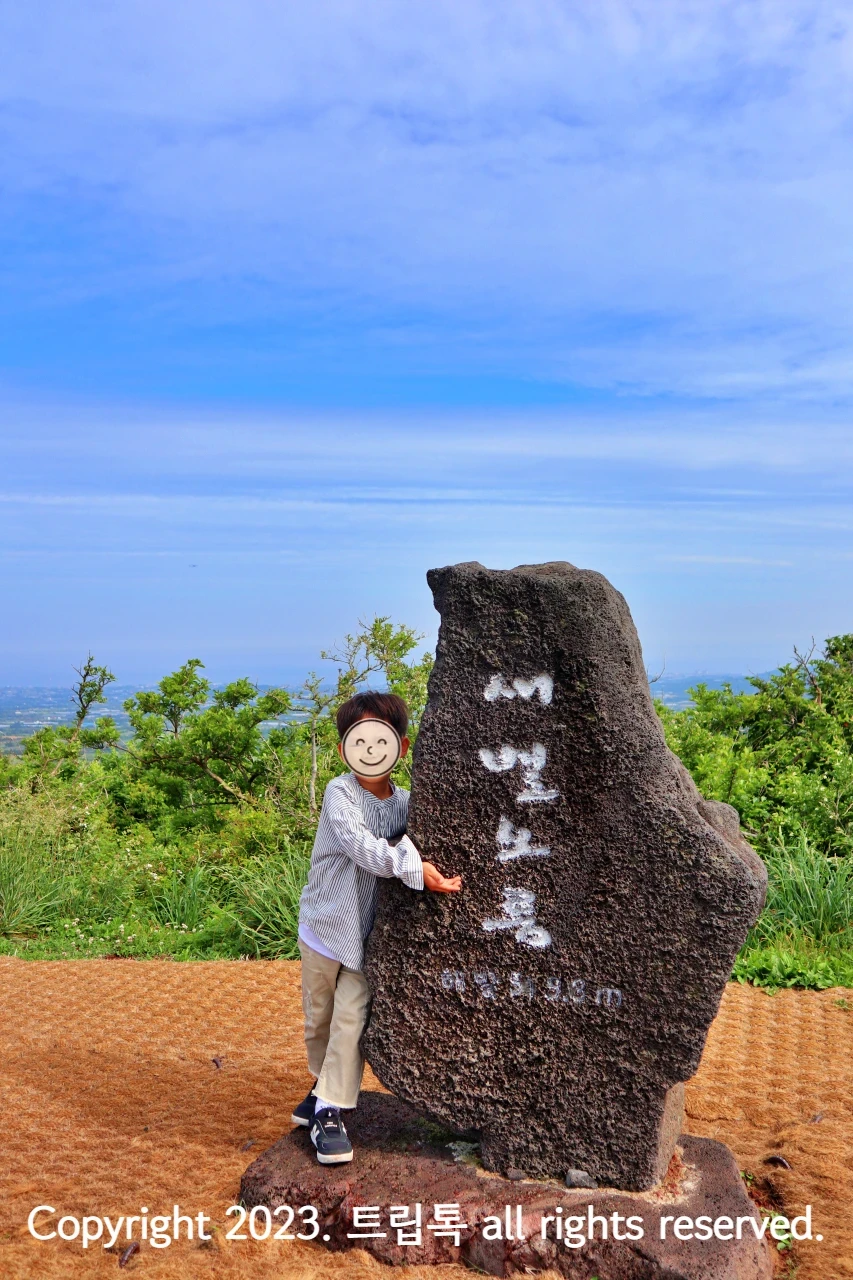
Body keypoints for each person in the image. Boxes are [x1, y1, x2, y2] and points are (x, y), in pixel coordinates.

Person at [293, 690, 462, 1164]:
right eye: (359, 739)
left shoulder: (406, 803)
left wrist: (421, 863)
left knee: (350, 1020)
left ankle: (329, 1111)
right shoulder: (340, 793)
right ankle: (322, 1088)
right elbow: (360, 845)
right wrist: (413, 866)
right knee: (319, 1020)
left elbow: (417, 838)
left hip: (367, 937)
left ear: (401, 746)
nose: (370, 749)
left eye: (381, 739)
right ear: (344, 748)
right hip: (325, 927)